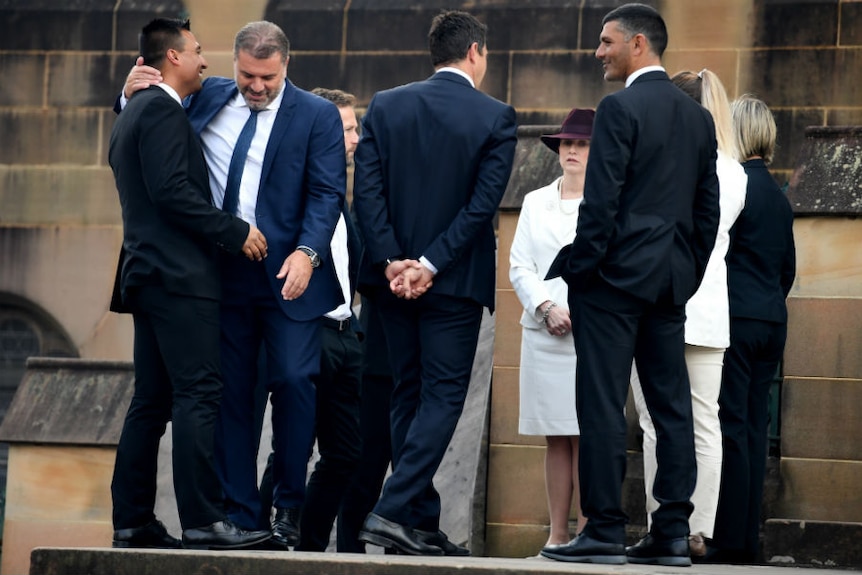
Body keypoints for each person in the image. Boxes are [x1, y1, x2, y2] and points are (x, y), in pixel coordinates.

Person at [119, 21, 347, 548]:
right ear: (235, 64)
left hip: (290, 277)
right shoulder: (211, 94)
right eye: (247, 74)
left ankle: (289, 504)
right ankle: (243, 515)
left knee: (293, 381)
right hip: (220, 277)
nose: (256, 86)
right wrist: (127, 91)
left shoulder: (316, 116)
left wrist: (308, 254)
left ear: (285, 66)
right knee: (230, 398)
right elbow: (153, 122)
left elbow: (327, 194)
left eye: (266, 77)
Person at [540, 3, 720, 567]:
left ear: (638, 44)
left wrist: (584, 269)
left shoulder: (618, 108)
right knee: (671, 411)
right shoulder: (698, 117)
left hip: (612, 284)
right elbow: (706, 211)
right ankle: (671, 532)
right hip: (668, 284)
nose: (598, 51)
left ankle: (604, 530)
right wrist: (684, 272)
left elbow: (602, 203)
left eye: (606, 41)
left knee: (600, 404)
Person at [352, 9, 517, 556]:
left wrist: (393, 262)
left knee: (408, 393)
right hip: (452, 284)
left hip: (392, 283)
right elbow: (479, 209)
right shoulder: (495, 116)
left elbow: (367, 195)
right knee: (443, 396)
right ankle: (394, 509)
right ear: (475, 53)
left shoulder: (386, 105)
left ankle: (418, 522)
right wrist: (431, 264)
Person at [108, 17, 271, 550]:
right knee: (199, 394)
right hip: (178, 279)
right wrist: (234, 231)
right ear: (172, 57)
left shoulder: (135, 111)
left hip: (150, 276)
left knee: (152, 401)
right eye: (199, 51)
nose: (206, 60)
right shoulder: (158, 110)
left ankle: (134, 519)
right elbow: (172, 192)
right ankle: (203, 520)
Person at [629, 68, 747, 558]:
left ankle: (666, 525)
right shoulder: (735, 171)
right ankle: (697, 527)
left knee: (658, 423)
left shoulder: (668, 158)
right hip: (710, 305)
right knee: (703, 423)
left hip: (664, 298)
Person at [706, 95, 796, 564]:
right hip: (771, 321)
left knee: (730, 426)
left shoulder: (735, 186)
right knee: (755, 428)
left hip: (736, 320)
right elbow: (788, 269)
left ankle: (729, 539)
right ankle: (749, 540)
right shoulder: (780, 197)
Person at [509, 108, 594, 550]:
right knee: (556, 435)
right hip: (543, 332)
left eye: (581, 144)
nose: (573, 150)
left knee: (588, 435)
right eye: (567, 143)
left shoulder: (606, 200)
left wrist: (577, 310)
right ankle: (557, 536)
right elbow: (520, 265)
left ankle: (587, 533)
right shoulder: (535, 200)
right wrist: (545, 307)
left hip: (590, 333)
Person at [296, 87, 363, 552]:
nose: (356, 138)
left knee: (345, 454)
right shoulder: (299, 188)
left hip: (347, 332)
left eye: (356, 127)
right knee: (294, 449)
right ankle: (270, 533)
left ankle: (309, 546)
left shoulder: (339, 194)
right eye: (346, 128)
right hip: (307, 332)